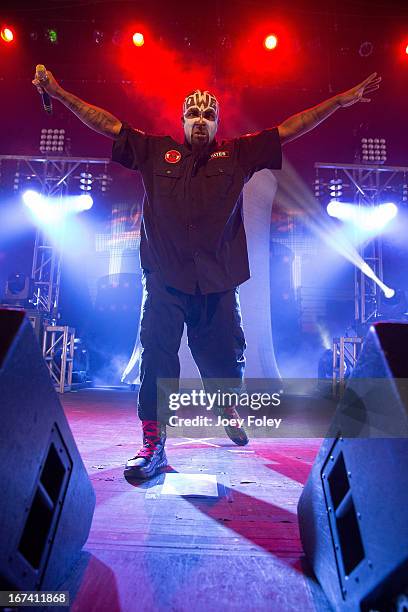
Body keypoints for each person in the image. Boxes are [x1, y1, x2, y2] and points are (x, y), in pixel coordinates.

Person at [32, 67, 381, 479]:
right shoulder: (155, 151)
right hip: (164, 276)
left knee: (226, 358)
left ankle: (225, 403)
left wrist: (339, 100)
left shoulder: (237, 154)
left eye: (208, 116)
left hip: (217, 280)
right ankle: (153, 440)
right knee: (157, 354)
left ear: (217, 124)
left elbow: (290, 128)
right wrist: (61, 91)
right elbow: (107, 123)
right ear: (182, 121)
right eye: (193, 115)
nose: (200, 121)